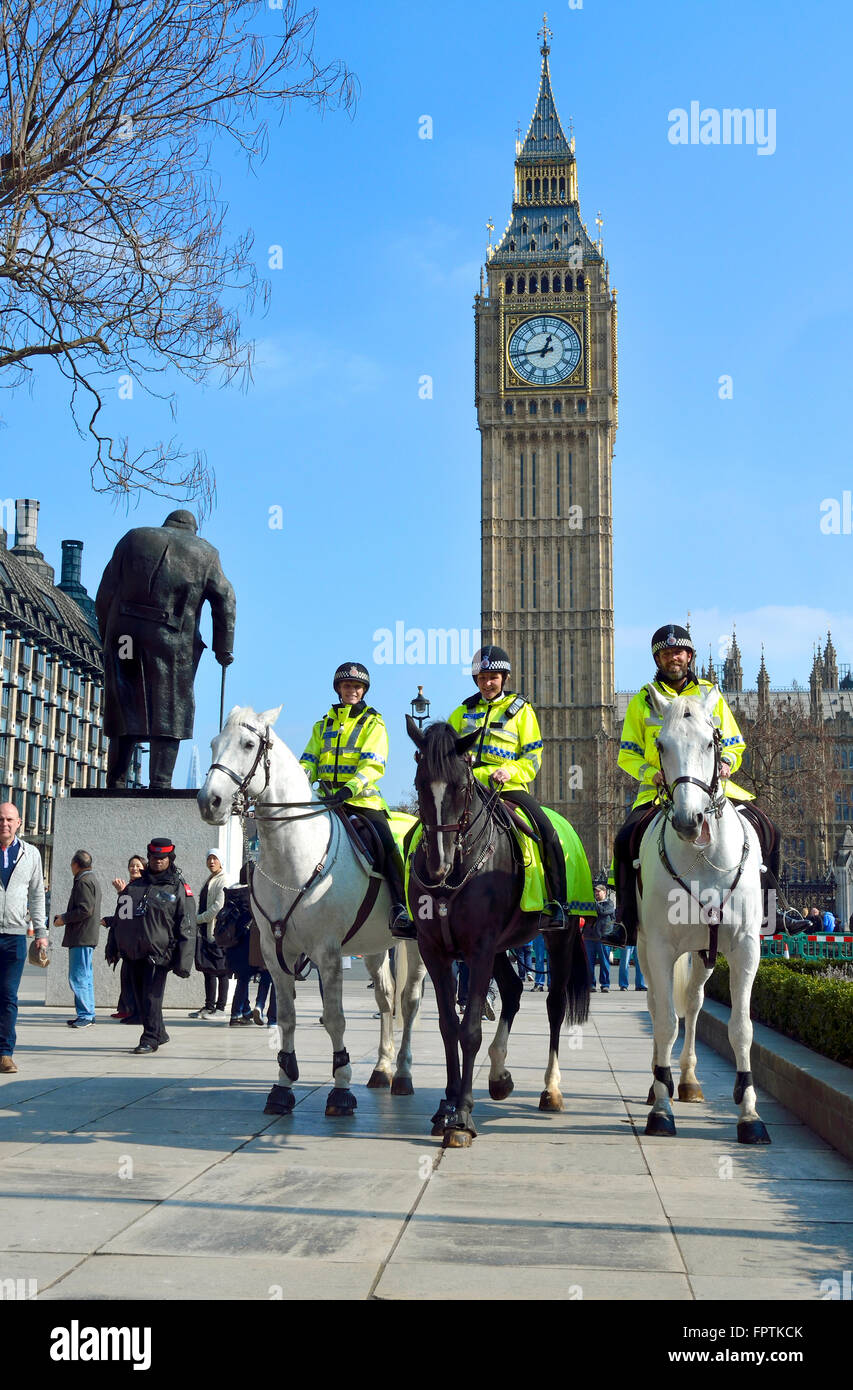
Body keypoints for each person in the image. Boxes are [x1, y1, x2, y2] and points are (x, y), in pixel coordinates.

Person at [613, 624, 779, 942]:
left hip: (714, 789)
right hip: (660, 792)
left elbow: (733, 742)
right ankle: (625, 919)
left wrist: (728, 762)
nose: (672, 658)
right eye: (665, 653)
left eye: (678, 652)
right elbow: (628, 755)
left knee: (770, 830)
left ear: (689, 656)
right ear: (657, 659)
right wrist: (652, 774)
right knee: (624, 841)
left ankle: (773, 912)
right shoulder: (643, 701)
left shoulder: (710, 695)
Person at [96, 510, 236, 789]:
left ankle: (116, 781)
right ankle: (160, 783)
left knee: (125, 703)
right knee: (171, 707)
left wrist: (107, 637)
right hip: (171, 641)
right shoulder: (205, 553)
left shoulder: (133, 538)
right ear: (193, 529)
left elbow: (104, 594)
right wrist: (223, 649)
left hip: (125, 638)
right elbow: (226, 600)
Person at [445, 645, 571, 932]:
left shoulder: (521, 711)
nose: (487, 683)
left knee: (545, 832)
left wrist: (510, 770)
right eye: (482, 677)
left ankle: (557, 904)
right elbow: (447, 753)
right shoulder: (461, 712)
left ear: (504, 678)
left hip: (507, 787)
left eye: (493, 677)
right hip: (468, 787)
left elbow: (533, 755)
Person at [300, 661, 411, 936]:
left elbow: (373, 765)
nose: (352, 690)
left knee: (386, 845)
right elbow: (309, 759)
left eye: (357, 686)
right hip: (325, 799)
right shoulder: (322, 724)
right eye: (348, 685)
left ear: (364, 690)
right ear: (339, 689)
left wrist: (349, 789)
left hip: (361, 801)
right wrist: (300, 780)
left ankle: (401, 906)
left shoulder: (373, 722)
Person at [113, 837, 197, 1054]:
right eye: (154, 857)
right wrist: (114, 946)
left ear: (170, 858)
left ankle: (150, 1038)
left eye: (163, 858)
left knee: (152, 997)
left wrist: (184, 961)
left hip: (160, 953)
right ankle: (159, 1032)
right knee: (139, 998)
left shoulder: (179, 887)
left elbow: (187, 925)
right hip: (133, 952)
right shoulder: (135, 886)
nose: (158, 861)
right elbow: (121, 917)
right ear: (148, 857)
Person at [0, 802, 47, 1074]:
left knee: (8, 996)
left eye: (9, 819)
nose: (4, 823)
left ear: (19, 823)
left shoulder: (31, 854)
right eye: (1, 819)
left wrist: (40, 933)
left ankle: (5, 1053)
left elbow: (37, 895)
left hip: (15, 936)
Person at [53, 850, 102, 1029]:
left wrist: (64, 918)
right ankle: (88, 1013)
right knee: (85, 976)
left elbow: (85, 909)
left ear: (75, 865)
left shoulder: (83, 881)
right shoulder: (91, 879)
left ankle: (86, 1015)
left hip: (81, 936)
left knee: (78, 976)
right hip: (86, 936)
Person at [191, 851, 230, 1019]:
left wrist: (198, 919)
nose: (211, 861)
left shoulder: (223, 879)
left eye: (215, 859)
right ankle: (209, 1006)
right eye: (209, 858)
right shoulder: (210, 878)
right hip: (205, 931)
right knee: (208, 970)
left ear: (221, 861)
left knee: (221, 970)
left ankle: (220, 1008)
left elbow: (217, 907)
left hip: (217, 932)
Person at [106, 855, 146, 1021]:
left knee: (132, 976)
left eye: (138, 866)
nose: (134, 868)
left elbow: (130, 914)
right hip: (126, 939)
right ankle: (125, 1008)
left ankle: (132, 1010)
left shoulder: (143, 887)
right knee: (126, 975)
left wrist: (122, 893)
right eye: (131, 865)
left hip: (137, 940)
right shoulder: (130, 886)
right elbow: (123, 914)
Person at [584, 886, 612, 992]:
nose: (596, 893)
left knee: (604, 962)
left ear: (604, 892)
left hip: (603, 938)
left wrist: (594, 903)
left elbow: (603, 912)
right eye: (595, 891)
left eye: (598, 891)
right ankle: (591, 984)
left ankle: (605, 984)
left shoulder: (609, 904)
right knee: (589, 963)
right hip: (589, 937)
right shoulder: (591, 904)